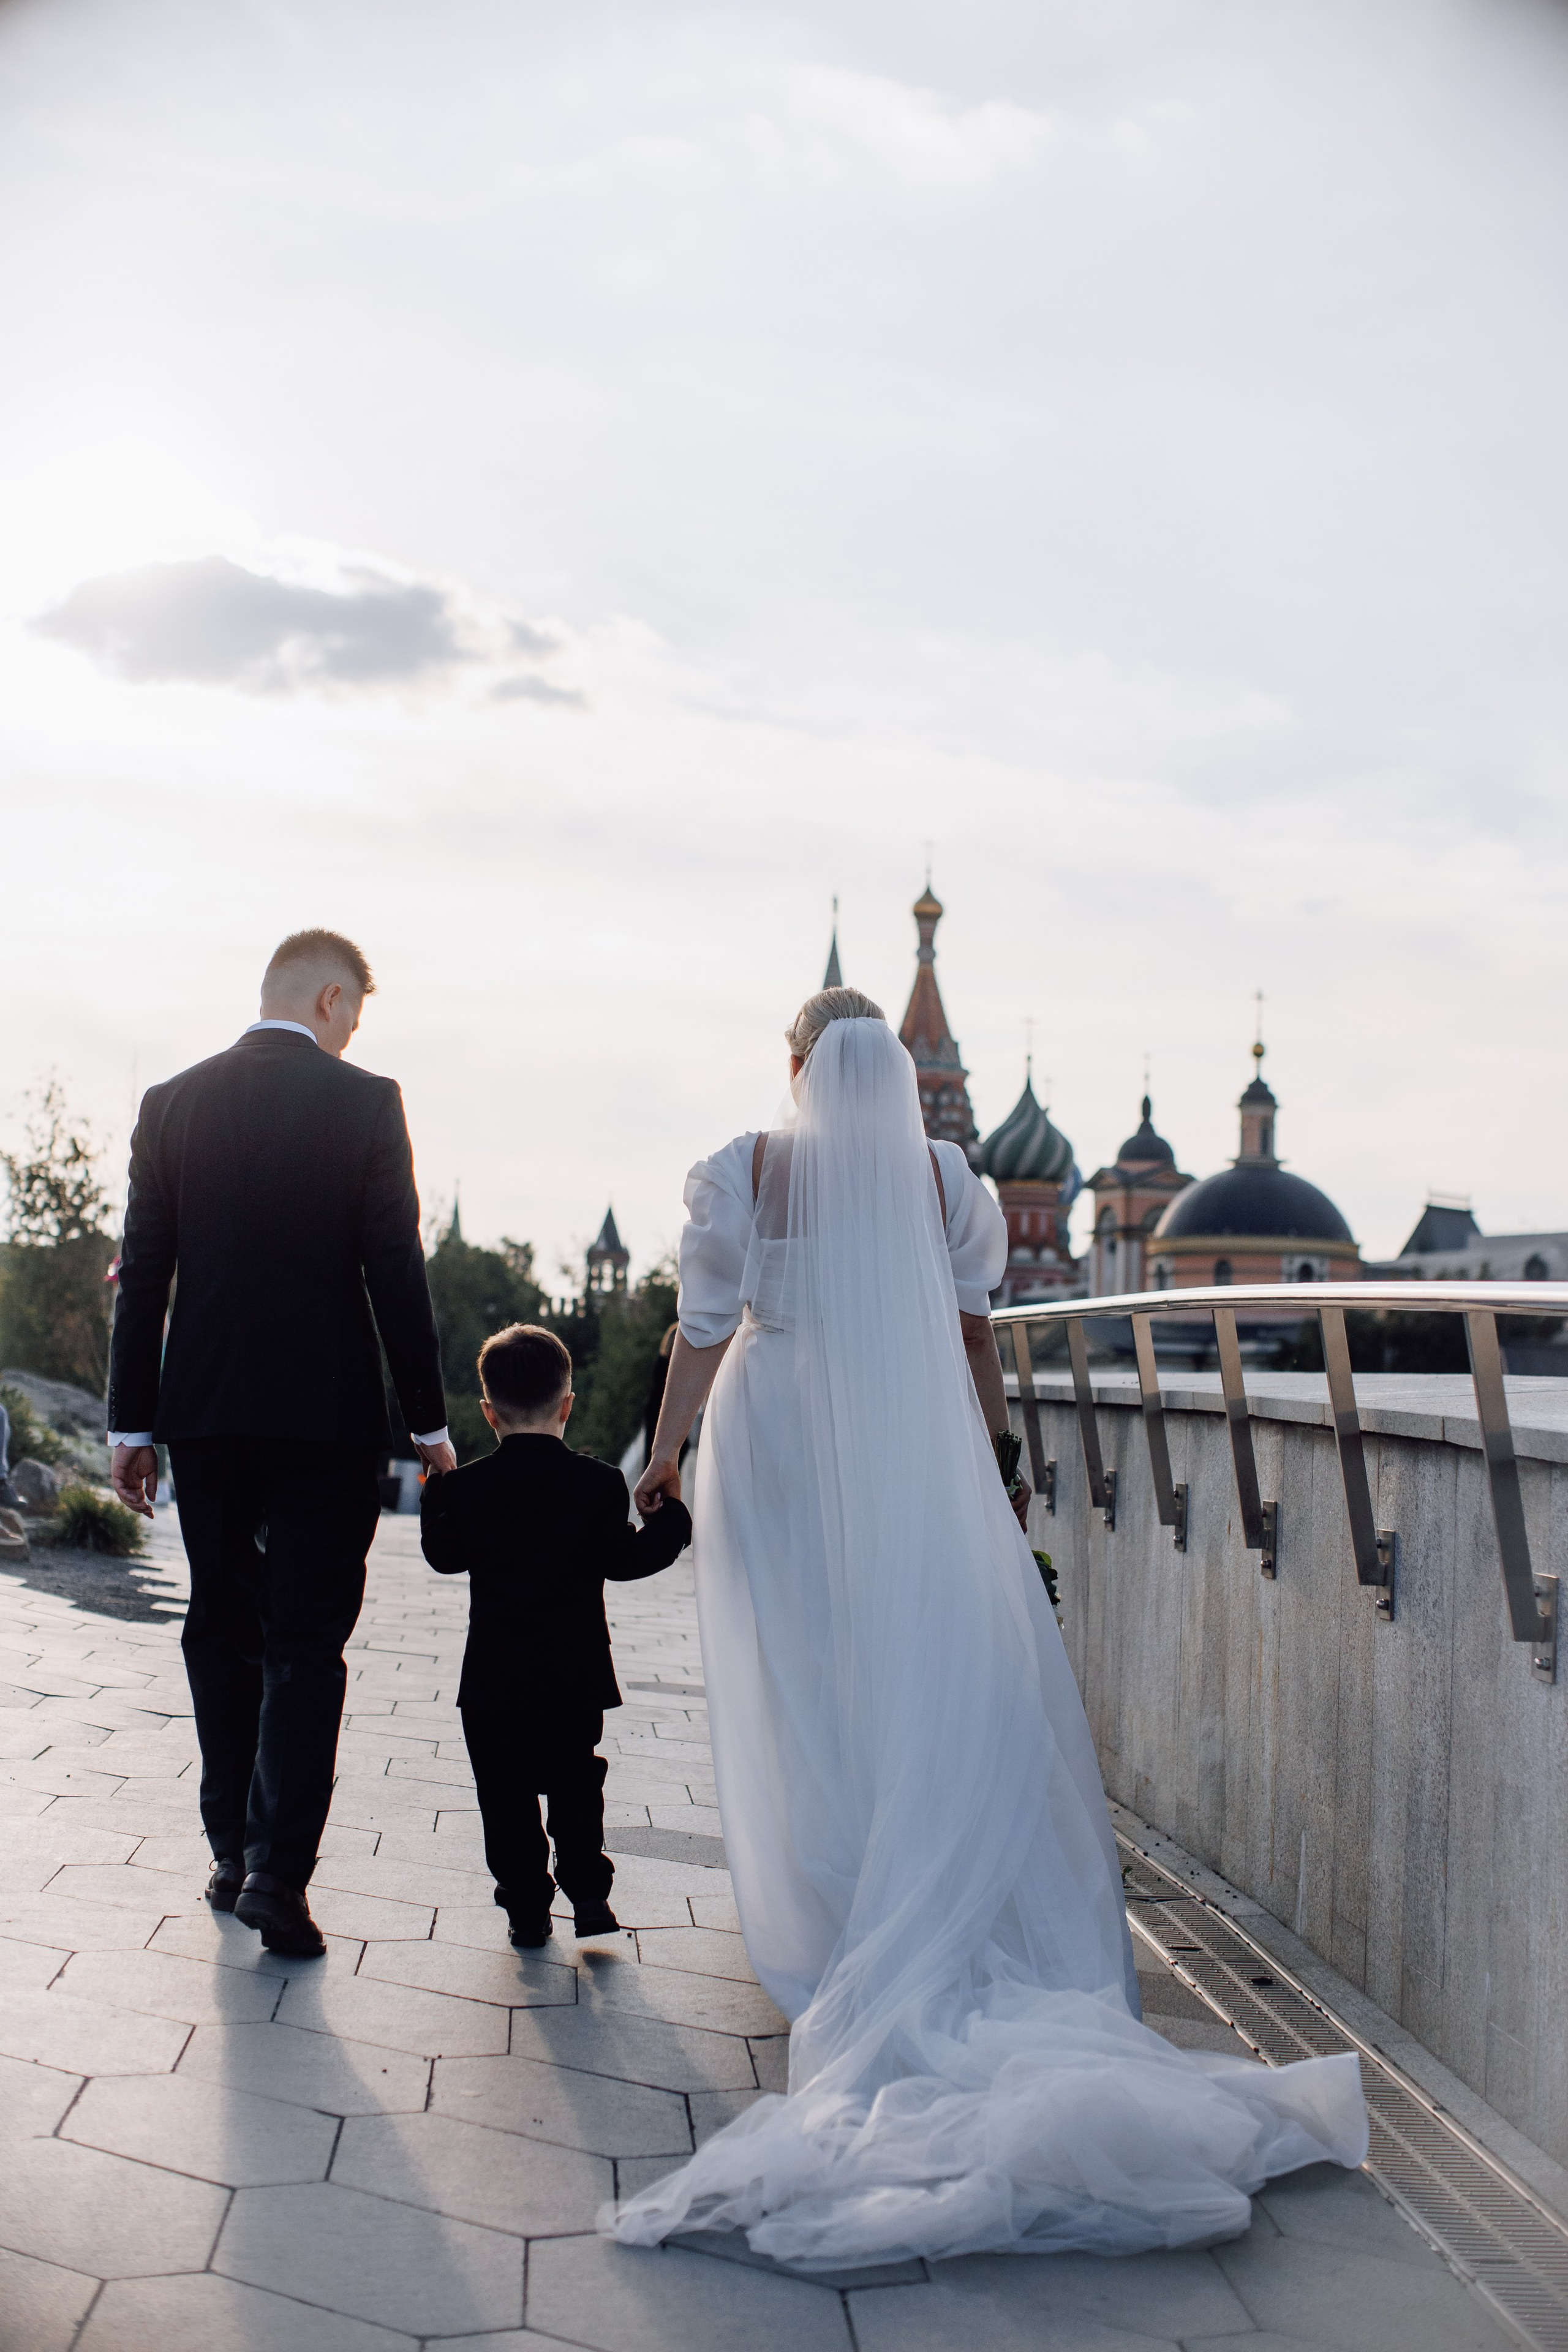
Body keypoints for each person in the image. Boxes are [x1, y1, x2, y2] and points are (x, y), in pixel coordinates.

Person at [606, 988, 1366, 2269]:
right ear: (896, 1079)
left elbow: (701, 1330)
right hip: (906, 1440)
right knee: (912, 1669)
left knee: (798, 1682)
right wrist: (999, 1462)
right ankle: (912, 1908)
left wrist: (663, 1457)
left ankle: (837, 1915)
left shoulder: (739, 1171)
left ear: (794, 1067)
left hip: (778, 1431)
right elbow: (972, 1337)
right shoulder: (947, 1178)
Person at [107, 929, 453, 1959]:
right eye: (354, 1019)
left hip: (204, 1413)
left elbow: (144, 1274)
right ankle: (276, 1877)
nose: (353, 1039)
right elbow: (398, 1272)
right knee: (308, 1645)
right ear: (331, 998)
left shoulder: (172, 1103)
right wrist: (430, 1426)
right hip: (327, 1420)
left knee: (220, 1624)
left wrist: (131, 1425)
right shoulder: (366, 1104)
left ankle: (227, 1847)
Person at [419, 1321, 692, 1948]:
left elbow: (444, 1555)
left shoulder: (468, 1489)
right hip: (574, 1676)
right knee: (576, 1780)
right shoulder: (597, 1485)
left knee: (505, 1796)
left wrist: (439, 1487)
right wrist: (671, 1519)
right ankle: (589, 1891)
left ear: (488, 1413)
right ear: (567, 1405)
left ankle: (526, 1906)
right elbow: (626, 1563)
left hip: (492, 1681)